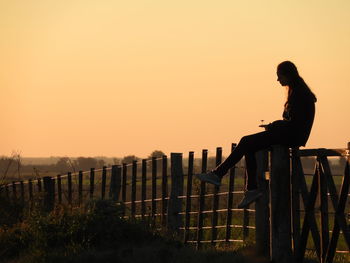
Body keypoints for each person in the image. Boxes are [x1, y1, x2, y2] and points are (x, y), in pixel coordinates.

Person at [196, 61, 317, 208]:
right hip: (289, 134)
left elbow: (295, 124)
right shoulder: (297, 91)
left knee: (246, 141)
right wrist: (275, 126)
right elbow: (292, 122)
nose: (278, 80)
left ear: (287, 75)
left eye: (279, 76)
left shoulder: (299, 94)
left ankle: (219, 174)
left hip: (291, 136)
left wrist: (273, 126)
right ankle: (250, 188)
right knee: (249, 146)